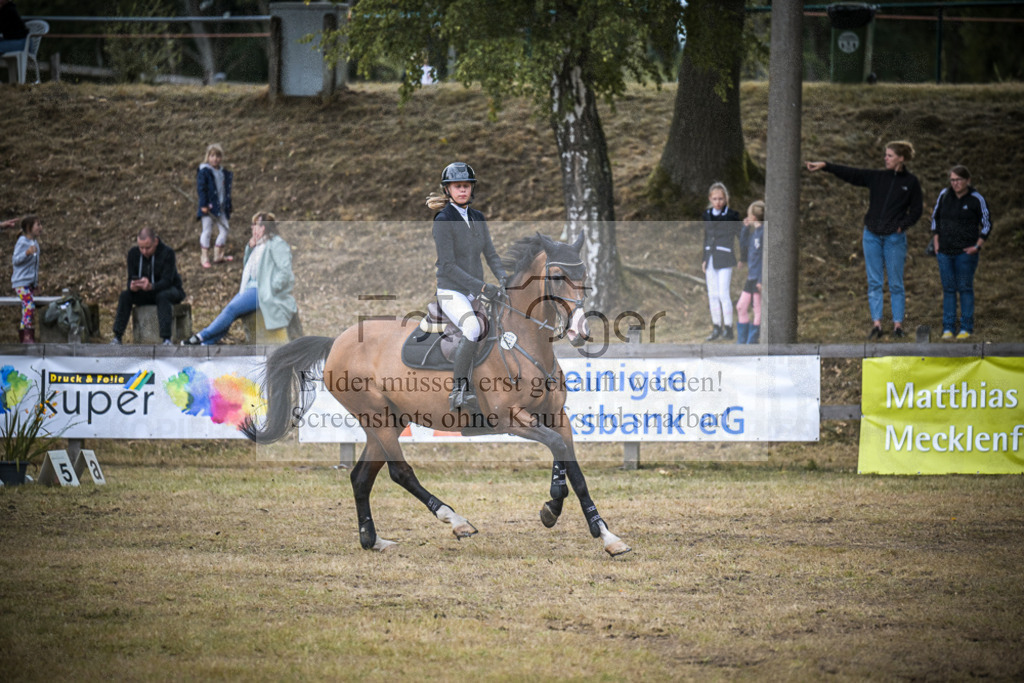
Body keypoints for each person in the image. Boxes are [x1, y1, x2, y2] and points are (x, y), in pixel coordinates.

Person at [806, 141, 923, 340]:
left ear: (901, 158)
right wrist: (826, 166)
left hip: (894, 238)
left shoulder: (911, 182)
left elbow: (917, 210)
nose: (885, 158)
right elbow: (852, 174)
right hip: (872, 236)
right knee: (875, 281)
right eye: (885, 155)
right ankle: (877, 324)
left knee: (895, 282)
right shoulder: (877, 177)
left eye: (890, 155)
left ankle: (897, 325)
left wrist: (902, 225)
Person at [426, 162, 508, 412]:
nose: (463, 190)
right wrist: (483, 287)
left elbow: (491, 254)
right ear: (448, 190)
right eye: (457, 186)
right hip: (451, 291)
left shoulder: (478, 217)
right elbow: (448, 266)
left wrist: (505, 279)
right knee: (472, 328)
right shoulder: (443, 219)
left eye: (466, 186)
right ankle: (459, 390)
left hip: (473, 290)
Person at [182, 212, 296, 345]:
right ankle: (206, 343)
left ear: (263, 227)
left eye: (255, 225)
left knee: (232, 310)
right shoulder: (259, 244)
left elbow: (286, 273)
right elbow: (248, 266)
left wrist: (270, 288)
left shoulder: (277, 244)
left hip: (263, 289)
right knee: (231, 310)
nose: (252, 228)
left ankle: (202, 336)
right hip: (251, 287)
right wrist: (249, 248)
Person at [930, 165, 992, 341]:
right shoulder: (944, 195)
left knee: (965, 288)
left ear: (967, 180)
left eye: (958, 180)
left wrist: (977, 246)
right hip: (944, 252)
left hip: (966, 253)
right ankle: (948, 328)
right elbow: (935, 218)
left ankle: (966, 327)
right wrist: (936, 241)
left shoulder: (976, 199)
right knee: (948, 289)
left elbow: (987, 224)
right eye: (952, 180)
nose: (955, 183)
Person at [111, 228, 186, 346]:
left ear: (155, 242)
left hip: (169, 290)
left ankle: (166, 338)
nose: (144, 251)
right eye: (141, 248)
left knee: (163, 296)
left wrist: (151, 286)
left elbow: (168, 281)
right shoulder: (133, 254)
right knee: (125, 295)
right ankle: (117, 336)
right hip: (145, 292)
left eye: (148, 248)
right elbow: (130, 278)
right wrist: (132, 286)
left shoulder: (168, 253)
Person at [701, 182, 743, 341]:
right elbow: (706, 238)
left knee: (723, 293)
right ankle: (716, 326)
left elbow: (741, 236)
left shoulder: (732, 216)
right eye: (715, 199)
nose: (718, 202)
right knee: (712, 294)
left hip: (725, 258)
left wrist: (743, 257)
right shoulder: (707, 215)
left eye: (721, 198)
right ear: (710, 199)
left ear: (726, 199)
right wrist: (704, 259)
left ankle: (729, 327)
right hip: (711, 258)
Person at [195, 143, 234, 269]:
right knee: (207, 231)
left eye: (217, 156)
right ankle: (204, 256)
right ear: (208, 157)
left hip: (221, 207)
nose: (215, 159)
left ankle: (218, 255)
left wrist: (228, 204)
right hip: (209, 208)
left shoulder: (223, 172)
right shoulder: (204, 172)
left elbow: (226, 190)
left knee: (225, 229)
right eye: (212, 156)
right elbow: (201, 189)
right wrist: (203, 205)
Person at [735, 200, 765, 345]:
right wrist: (745, 229)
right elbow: (744, 248)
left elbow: (764, 259)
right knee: (741, 306)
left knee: (757, 309)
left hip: (758, 278)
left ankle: (751, 342)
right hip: (751, 277)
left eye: (748, 215)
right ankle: (742, 342)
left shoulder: (764, 232)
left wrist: (761, 279)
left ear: (753, 216)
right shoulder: (753, 233)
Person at [10, 215, 41, 344]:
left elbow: (35, 266)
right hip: (20, 282)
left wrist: (35, 283)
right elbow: (15, 261)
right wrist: (26, 253)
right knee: (28, 305)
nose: (40, 227)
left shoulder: (36, 244)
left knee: (30, 307)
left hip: (29, 283)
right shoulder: (22, 242)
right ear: (29, 228)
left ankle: (28, 332)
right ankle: (26, 333)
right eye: (37, 225)